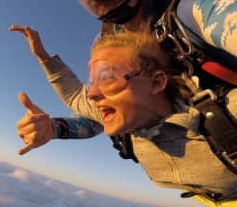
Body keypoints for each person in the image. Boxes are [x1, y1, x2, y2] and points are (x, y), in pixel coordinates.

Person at [14, 28, 237, 206]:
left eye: (108, 78)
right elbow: (75, 95)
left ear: (156, 82)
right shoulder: (128, 116)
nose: (92, 93)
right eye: (92, 82)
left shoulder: (225, 114)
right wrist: (43, 56)